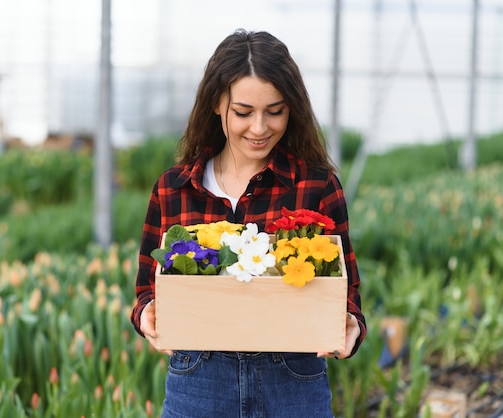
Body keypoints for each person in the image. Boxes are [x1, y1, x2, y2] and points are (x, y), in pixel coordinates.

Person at [130, 29, 366, 418]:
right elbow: (145, 290)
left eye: (275, 111)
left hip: (293, 379)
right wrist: (149, 315)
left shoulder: (317, 186)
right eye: (243, 112)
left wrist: (351, 325)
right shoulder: (174, 189)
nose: (259, 128)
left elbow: (347, 291)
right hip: (200, 381)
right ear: (216, 105)